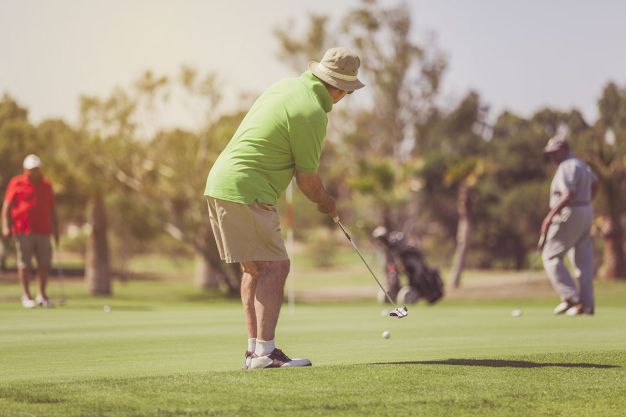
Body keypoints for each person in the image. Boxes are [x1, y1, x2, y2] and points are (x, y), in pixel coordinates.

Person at [204, 47, 365, 369]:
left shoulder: (284, 86)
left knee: (254, 269)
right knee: (277, 267)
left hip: (220, 182)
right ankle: (264, 353)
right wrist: (328, 203)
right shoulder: (313, 112)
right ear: (341, 91)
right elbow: (307, 181)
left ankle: (256, 352)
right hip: (247, 189)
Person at [540, 135, 598, 316]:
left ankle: (571, 297)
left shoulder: (566, 166)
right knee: (583, 260)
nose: (552, 156)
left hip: (570, 211)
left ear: (564, 149)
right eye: (550, 153)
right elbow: (596, 183)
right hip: (586, 211)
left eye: (554, 152)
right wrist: (587, 201)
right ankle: (587, 305)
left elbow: (567, 194)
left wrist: (549, 216)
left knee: (550, 255)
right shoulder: (581, 164)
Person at [1, 154, 59, 308]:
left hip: (44, 230)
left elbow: (52, 209)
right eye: (32, 169)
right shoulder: (16, 183)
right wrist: (6, 226)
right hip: (22, 230)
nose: (34, 172)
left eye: (37, 169)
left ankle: (42, 295)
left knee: (44, 264)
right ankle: (26, 296)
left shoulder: (47, 185)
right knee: (24, 264)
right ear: (25, 170)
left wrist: (56, 229)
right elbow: (6, 206)